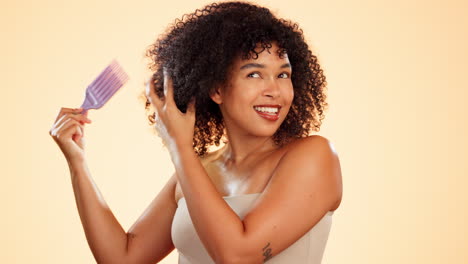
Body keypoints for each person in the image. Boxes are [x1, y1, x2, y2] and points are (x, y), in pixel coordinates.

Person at [49, 1, 342, 263]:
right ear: (216, 89)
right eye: (254, 74)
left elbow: (237, 256)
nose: (274, 90)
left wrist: (180, 148)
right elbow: (123, 258)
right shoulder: (197, 170)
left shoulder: (313, 156)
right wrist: (78, 164)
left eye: (283, 74)